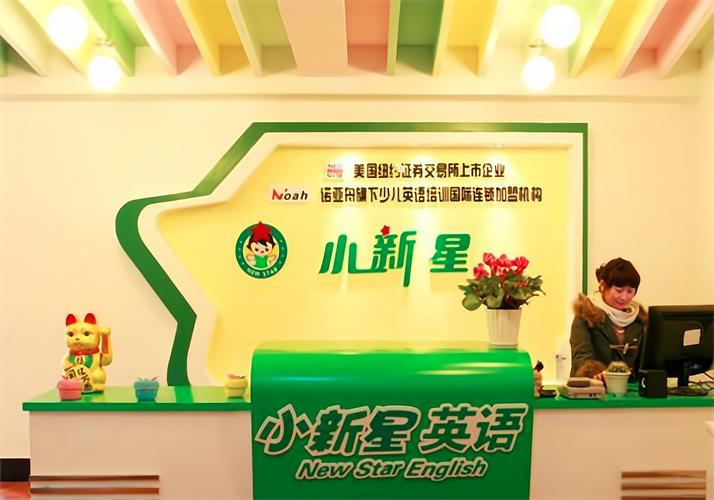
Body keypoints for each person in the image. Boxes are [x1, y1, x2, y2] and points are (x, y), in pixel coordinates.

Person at [570, 258, 647, 379]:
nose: (624, 297)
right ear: (602, 286)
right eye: (619, 290)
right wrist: (596, 374)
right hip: (593, 386)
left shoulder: (640, 320)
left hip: (632, 388)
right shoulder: (585, 316)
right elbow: (581, 356)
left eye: (630, 291)